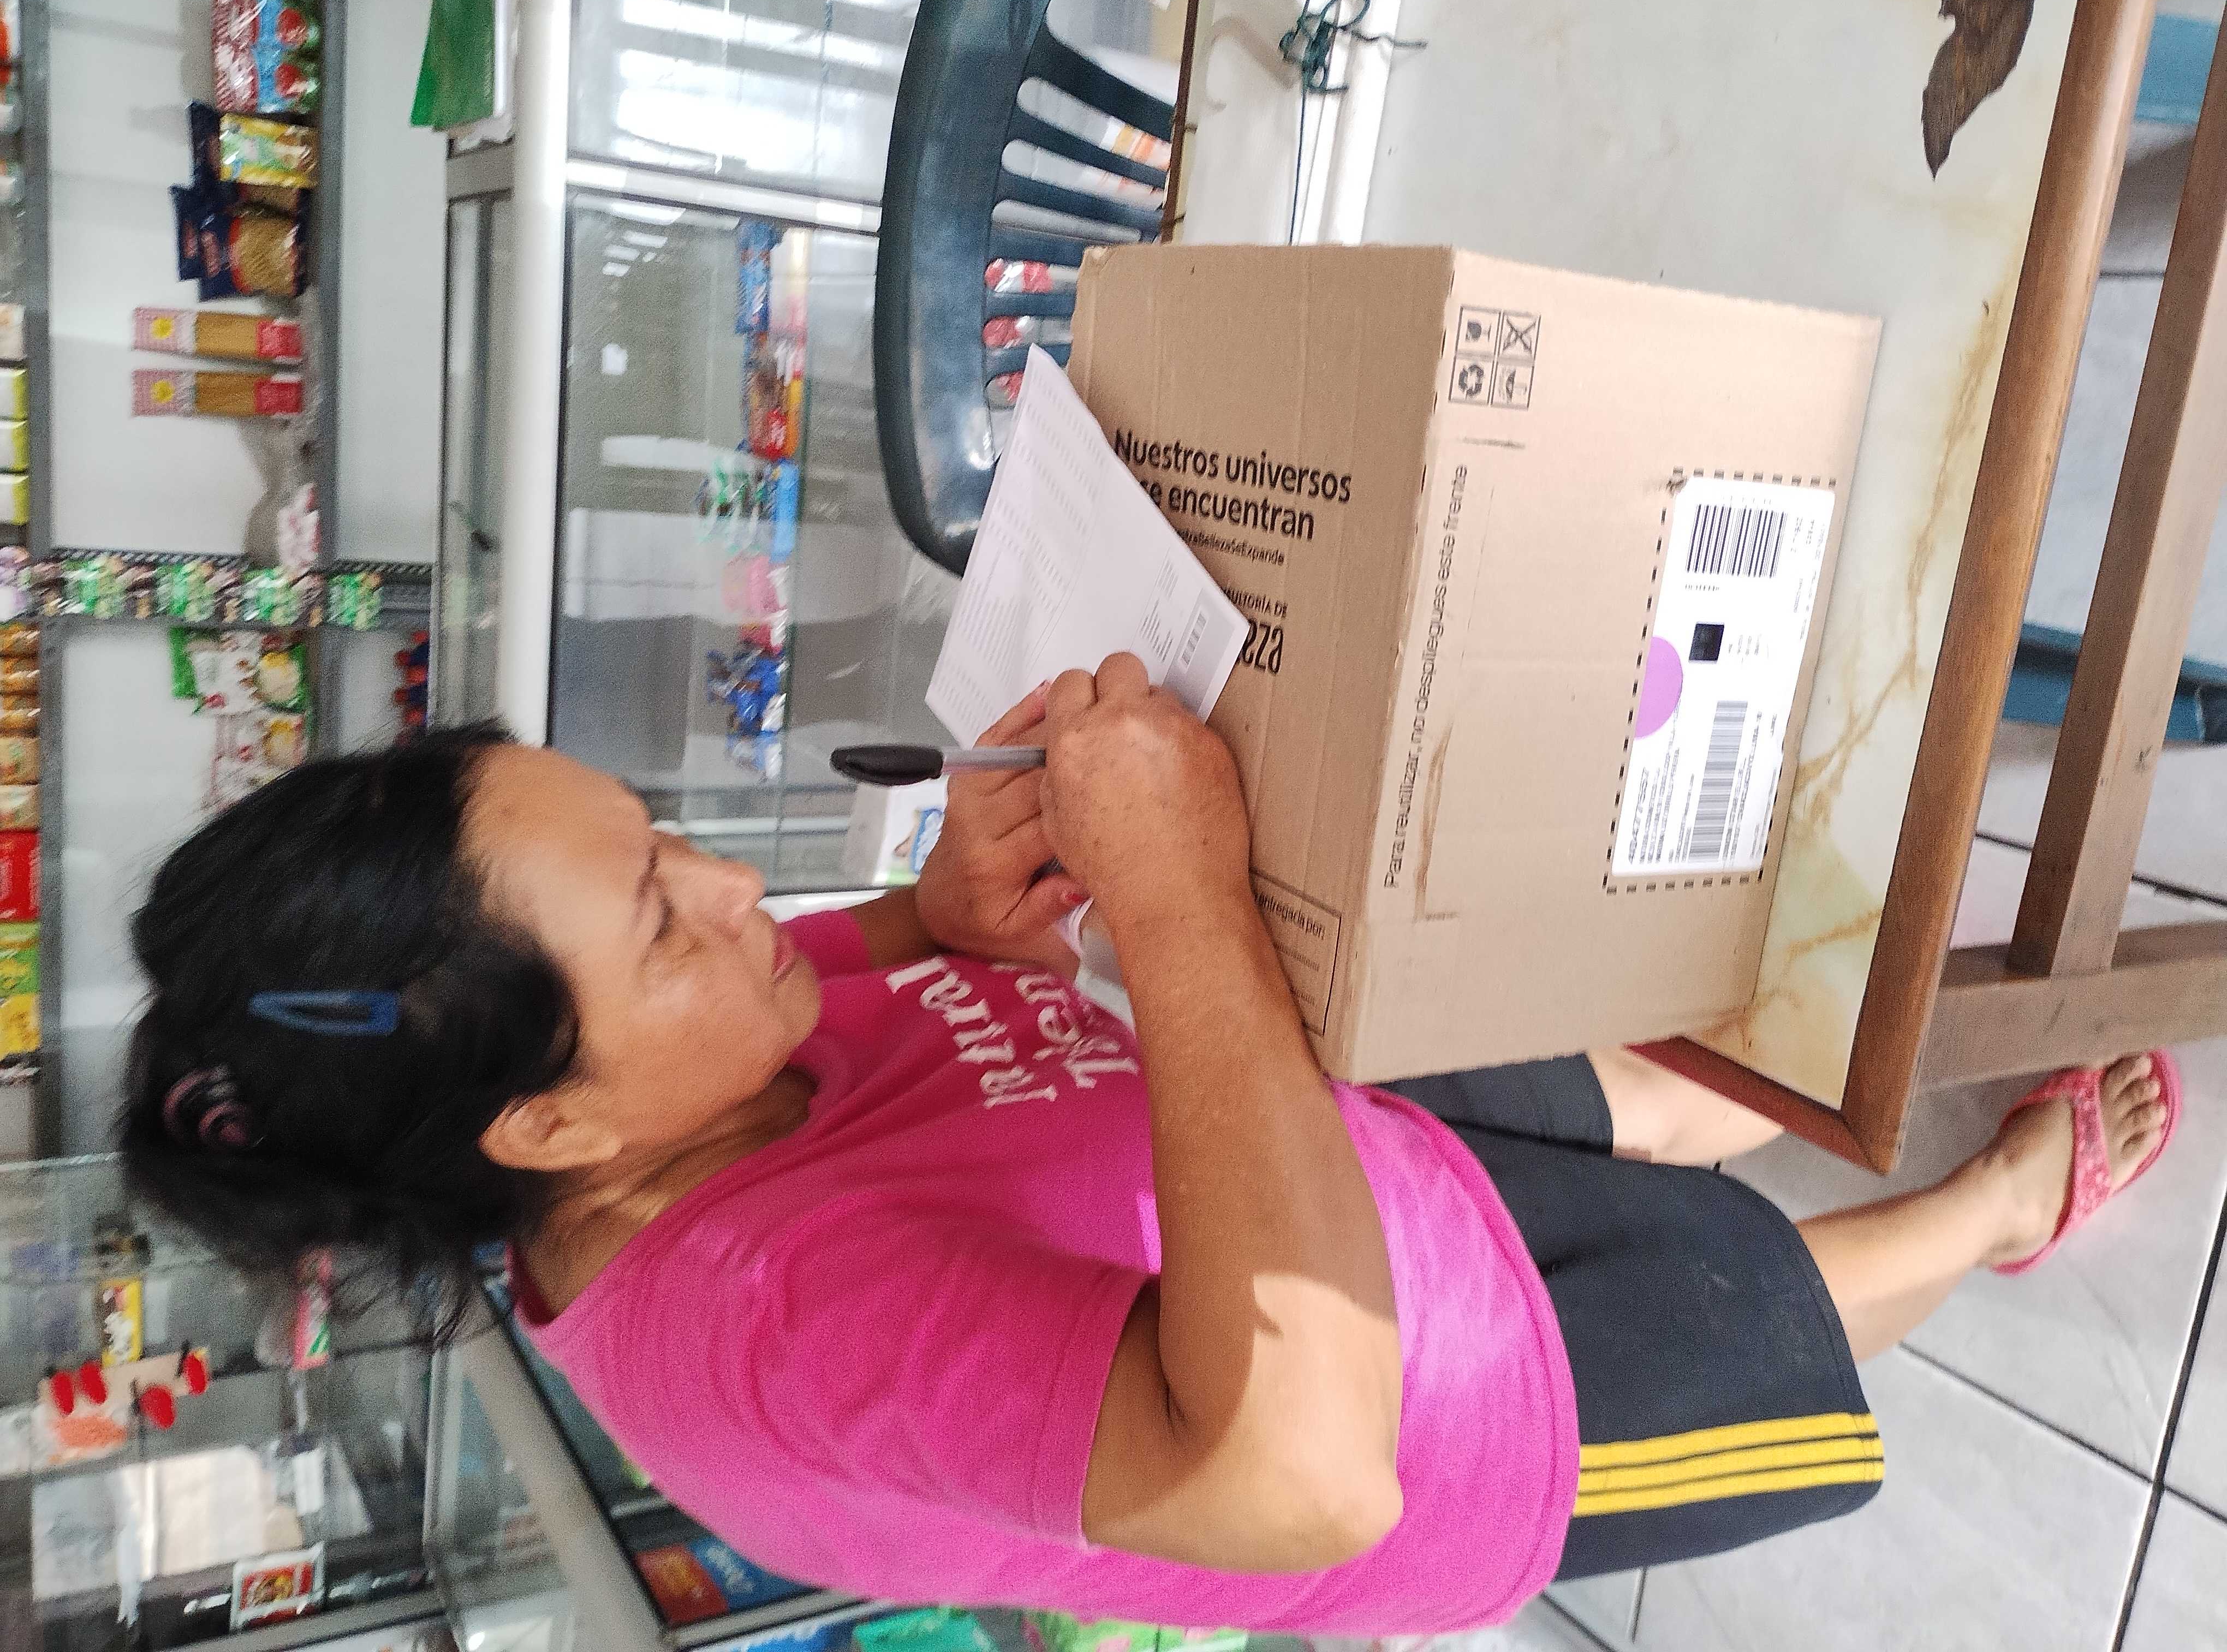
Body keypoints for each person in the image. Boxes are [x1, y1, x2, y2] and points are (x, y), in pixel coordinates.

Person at [121, 657, 2180, 1633]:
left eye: (666, 843)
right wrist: (1180, 897)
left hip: (1315, 1139)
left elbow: (893, 944)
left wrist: (955, 901)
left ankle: (1918, 1033)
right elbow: (1302, 1476)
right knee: (1760, 1301)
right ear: (551, 1123)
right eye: (663, 916)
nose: (738, 895)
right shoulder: (762, 1338)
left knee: (1695, 1074)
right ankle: (1998, 1202)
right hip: (1448, 1416)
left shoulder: (683, 1061)